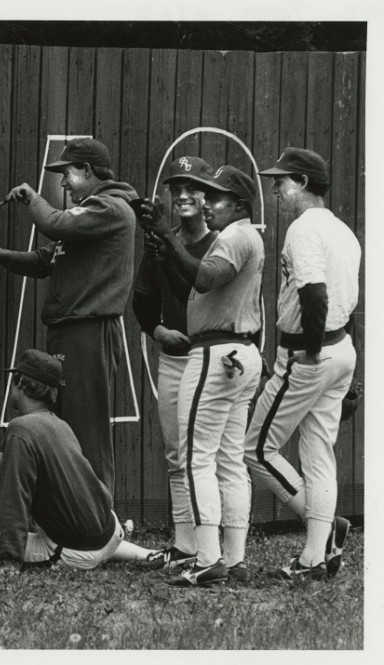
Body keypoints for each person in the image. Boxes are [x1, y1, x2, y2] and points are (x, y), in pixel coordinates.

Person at [0, 138, 136, 495]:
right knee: (65, 426)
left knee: (87, 428)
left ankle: (101, 518)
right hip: (69, 330)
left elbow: (54, 223)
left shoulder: (111, 207)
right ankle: (74, 513)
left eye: (67, 174)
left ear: (88, 171)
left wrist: (31, 197)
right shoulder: (90, 212)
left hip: (89, 330)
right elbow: (47, 261)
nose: (62, 184)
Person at [138, 165, 264, 587]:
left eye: (218, 197)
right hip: (238, 351)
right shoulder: (245, 235)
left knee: (197, 458)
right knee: (228, 460)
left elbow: (207, 279)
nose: (208, 203)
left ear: (240, 205)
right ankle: (234, 558)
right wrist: (167, 253)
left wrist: (169, 237)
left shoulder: (234, 236)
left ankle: (208, 557)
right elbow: (195, 286)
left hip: (215, 352)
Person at [242, 148, 359, 580]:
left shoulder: (303, 228)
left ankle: (322, 530)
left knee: (254, 449)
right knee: (317, 456)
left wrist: (307, 352)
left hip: (309, 353)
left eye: (283, 181)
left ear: (305, 183)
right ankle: (317, 555)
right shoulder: (344, 231)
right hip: (341, 349)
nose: (275, 188)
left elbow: (315, 294)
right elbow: (349, 308)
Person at [0, 349, 155, 571]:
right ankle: (148, 554)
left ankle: (105, 555)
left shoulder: (20, 428)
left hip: (73, 551)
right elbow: (8, 467)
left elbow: (15, 499)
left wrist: (9, 562)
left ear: (21, 383)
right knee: (89, 536)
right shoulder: (59, 424)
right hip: (111, 532)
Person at [131, 156, 218, 570]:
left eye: (192, 188)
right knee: (175, 455)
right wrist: (156, 331)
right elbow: (143, 299)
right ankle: (185, 545)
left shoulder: (222, 242)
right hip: (174, 358)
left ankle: (212, 547)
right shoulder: (158, 241)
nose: (183, 195)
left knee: (204, 457)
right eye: (176, 188)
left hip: (210, 358)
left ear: (208, 198)